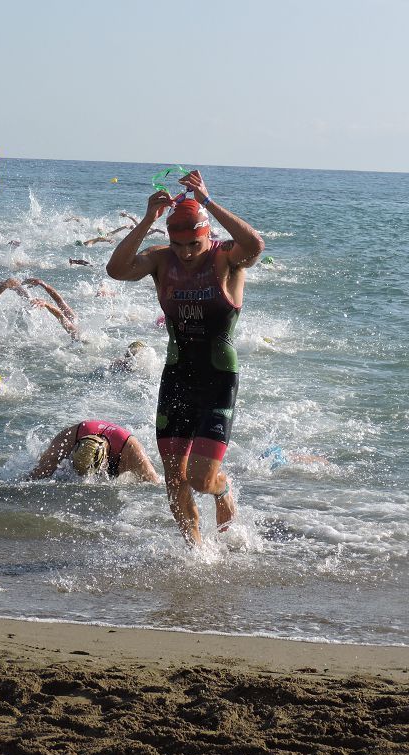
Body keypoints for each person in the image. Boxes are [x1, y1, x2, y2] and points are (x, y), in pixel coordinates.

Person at [105, 169, 265, 546]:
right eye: (179, 246)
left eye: (194, 244)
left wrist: (207, 199)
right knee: (174, 477)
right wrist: (148, 220)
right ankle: (196, 554)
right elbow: (116, 270)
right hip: (177, 378)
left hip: (217, 380)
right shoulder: (161, 261)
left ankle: (223, 490)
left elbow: (255, 244)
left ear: (207, 235)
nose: (187, 253)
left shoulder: (227, 259)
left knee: (201, 478)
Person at [28, 420, 160, 482]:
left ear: (103, 462)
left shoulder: (130, 450)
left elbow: (154, 483)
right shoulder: (69, 437)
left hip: (120, 448)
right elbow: (38, 471)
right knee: (48, 465)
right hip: (85, 435)